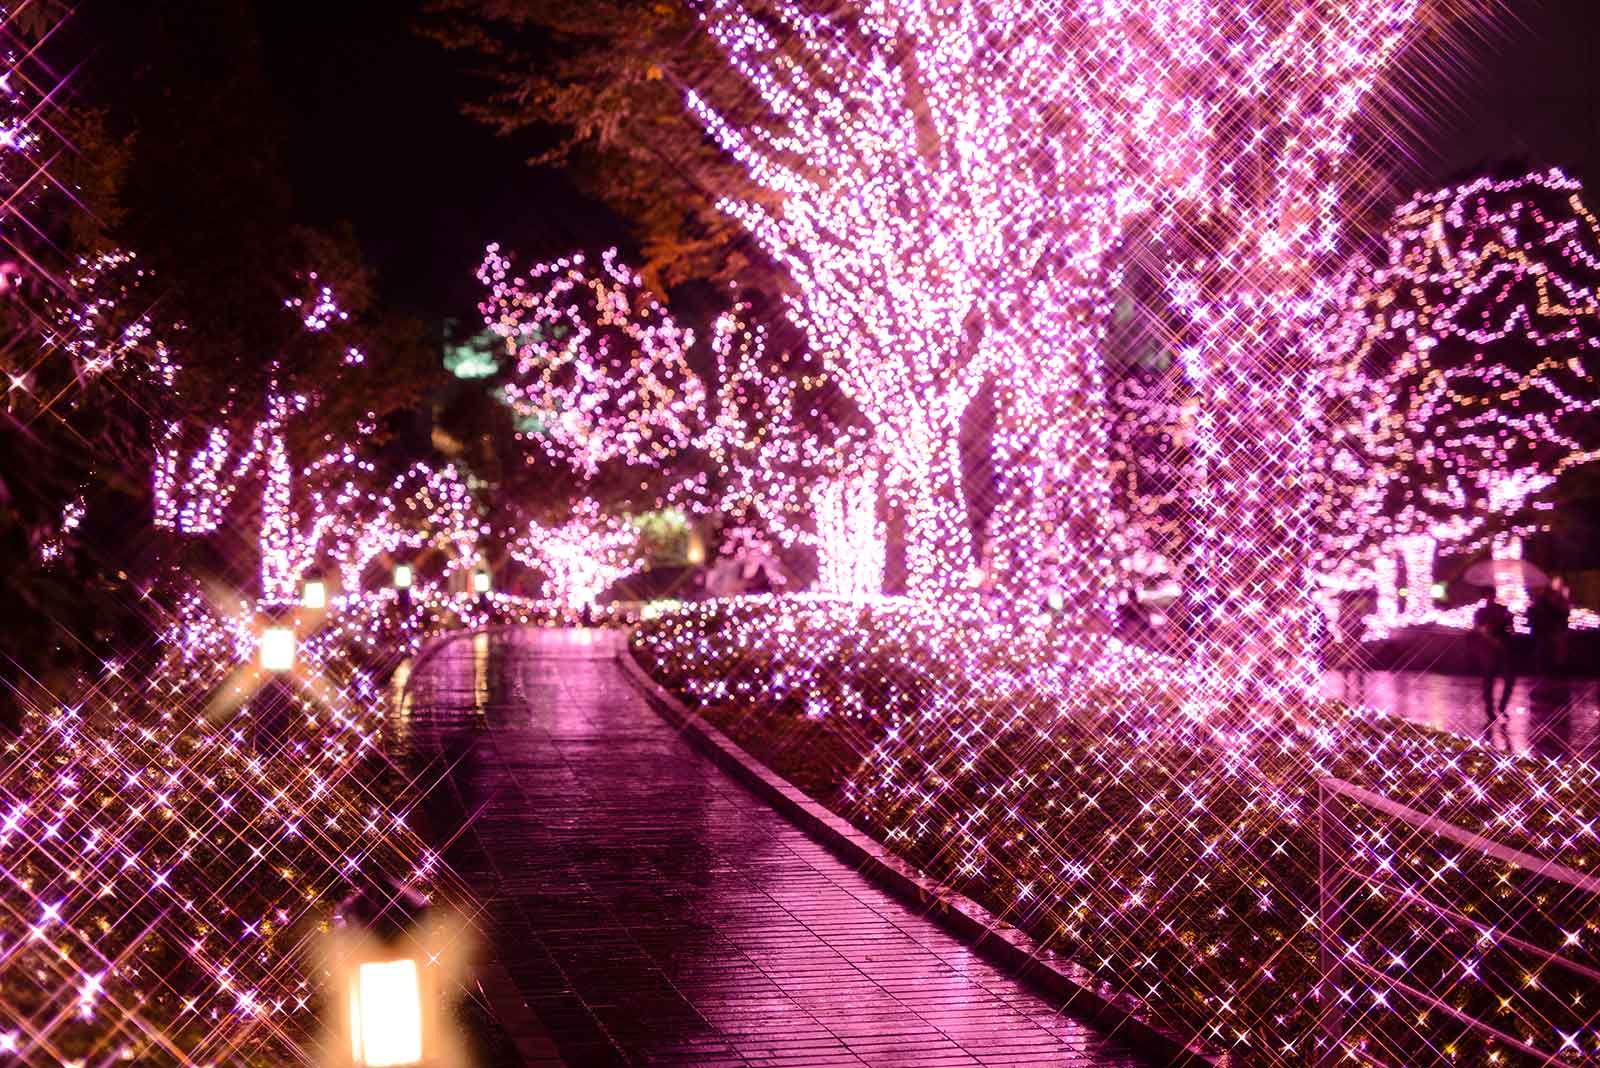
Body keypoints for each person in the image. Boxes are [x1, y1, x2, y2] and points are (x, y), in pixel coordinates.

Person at [1472, 593, 1516, 720]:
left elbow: (1510, 629)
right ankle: (1490, 708)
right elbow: (1478, 629)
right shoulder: (1481, 612)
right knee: (1489, 679)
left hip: (1503, 647)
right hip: (1489, 649)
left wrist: (1509, 621)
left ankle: (1501, 706)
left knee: (1508, 679)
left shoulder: (1503, 610)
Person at [1528, 578, 1571, 677]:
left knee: (1547, 652)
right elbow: (1559, 616)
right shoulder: (1546, 604)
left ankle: (1548, 671)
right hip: (1548, 632)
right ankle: (1549, 672)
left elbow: (1559, 616)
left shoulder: (1543, 603)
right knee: (1548, 652)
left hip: (1547, 632)